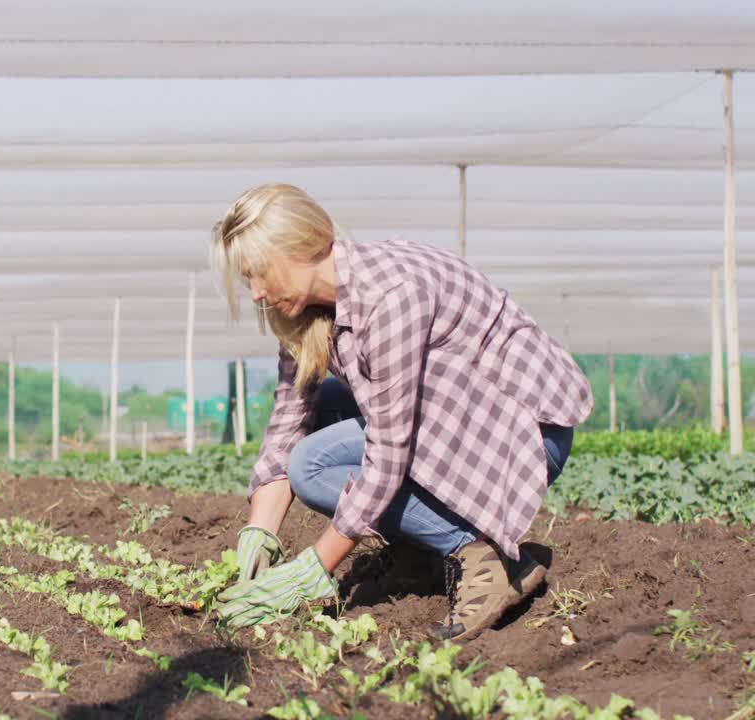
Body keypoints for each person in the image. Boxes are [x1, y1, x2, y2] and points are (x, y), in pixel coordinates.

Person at [210, 183, 592, 641]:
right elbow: (290, 416)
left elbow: (388, 452)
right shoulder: (307, 312)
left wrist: (315, 567)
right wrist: (260, 534)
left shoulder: (391, 296)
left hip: (521, 431)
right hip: (462, 419)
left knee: (311, 466)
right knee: (325, 408)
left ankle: (480, 553)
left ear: (300, 246)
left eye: (259, 273)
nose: (255, 293)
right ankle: (423, 546)